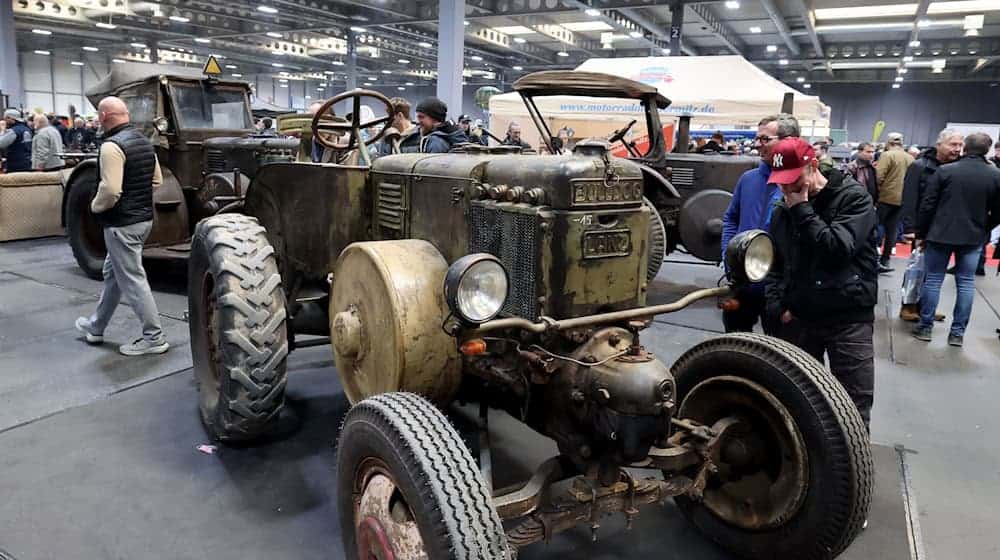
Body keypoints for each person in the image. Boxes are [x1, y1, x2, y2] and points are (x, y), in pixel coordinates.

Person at [764, 137, 878, 429]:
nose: (788, 188)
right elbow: (776, 263)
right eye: (781, 181)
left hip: (847, 319)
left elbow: (838, 249)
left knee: (853, 405)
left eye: (794, 179)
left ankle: (850, 472)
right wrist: (778, 306)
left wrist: (802, 210)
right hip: (801, 317)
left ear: (813, 166)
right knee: (799, 400)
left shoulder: (853, 199)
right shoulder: (783, 210)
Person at [74, 96, 169, 356]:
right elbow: (157, 181)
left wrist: (94, 206)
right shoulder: (144, 142)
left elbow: (111, 190)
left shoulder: (111, 147)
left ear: (104, 116)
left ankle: (154, 337)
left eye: (97, 116)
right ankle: (96, 327)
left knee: (133, 280)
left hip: (120, 225)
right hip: (142, 221)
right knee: (113, 276)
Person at [913, 133, 1000, 347]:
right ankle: (957, 334)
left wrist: (920, 234)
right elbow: (998, 211)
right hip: (973, 237)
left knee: (933, 280)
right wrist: (984, 229)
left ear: (965, 148)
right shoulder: (996, 175)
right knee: (966, 283)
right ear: (987, 150)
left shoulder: (945, 171)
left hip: (939, 234)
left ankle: (925, 327)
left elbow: (928, 205)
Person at [719, 113, 799, 334]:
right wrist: (729, 256)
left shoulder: (800, 183)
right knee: (735, 344)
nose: (757, 145)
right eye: (757, 138)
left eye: (765, 139)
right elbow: (731, 219)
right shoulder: (749, 179)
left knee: (778, 353)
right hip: (742, 283)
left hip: (779, 290)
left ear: (789, 141)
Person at [898, 129, 964, 321]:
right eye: (953, 144)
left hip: (945, 228)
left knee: (934, 272)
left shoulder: (958, 167)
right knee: (916, 268)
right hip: (922, 227)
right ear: (939, 144)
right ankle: (908, 306)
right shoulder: (919, 166)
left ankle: (926, 306)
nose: (957, 149)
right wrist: (910, 228)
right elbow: (909, 198)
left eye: (960, 145)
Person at [874, 132, 914, 273]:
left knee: (877, 226)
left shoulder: (887, 155)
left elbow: (879, 176)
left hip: (886, 197)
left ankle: (874, 258)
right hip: (902, 198)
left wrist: (878, 190)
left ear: (889, 142)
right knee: (892, 230)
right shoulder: (910, 157)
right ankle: (886, 259)